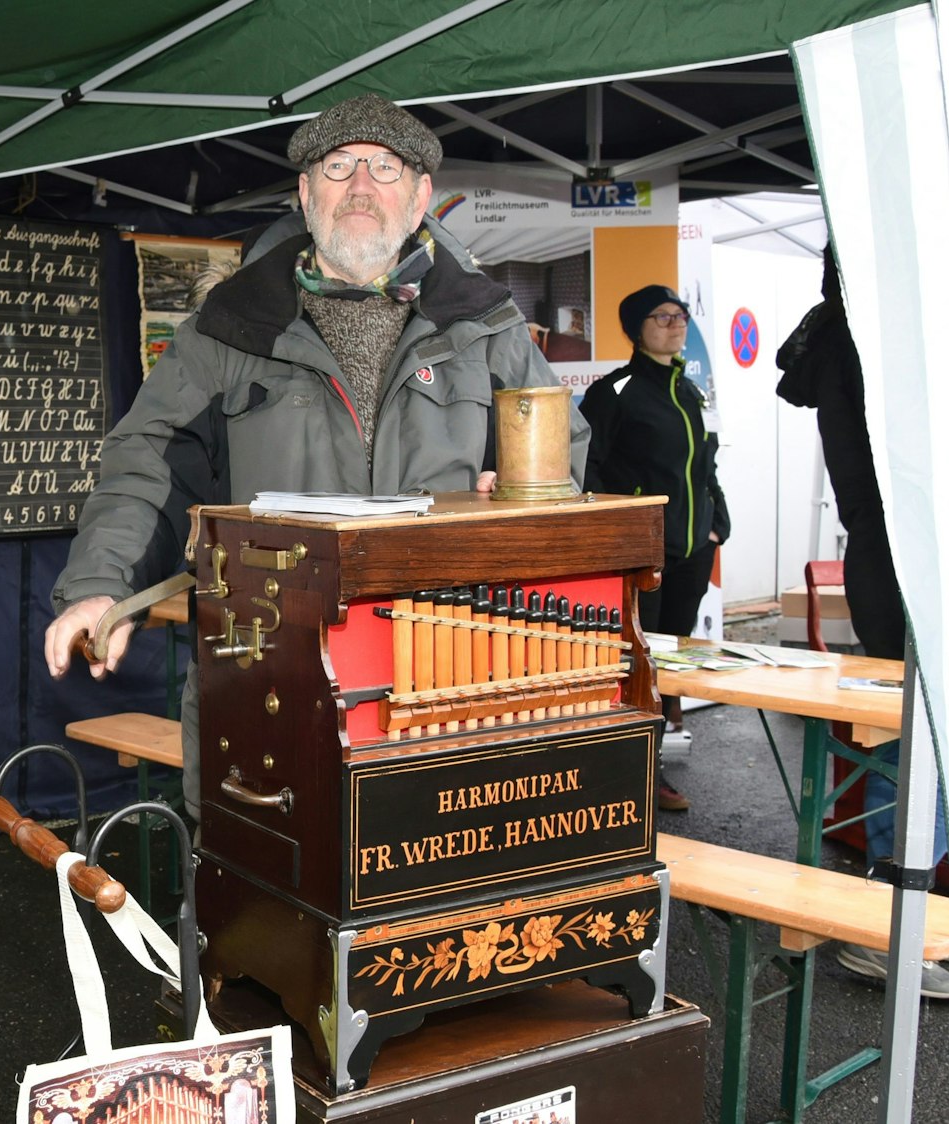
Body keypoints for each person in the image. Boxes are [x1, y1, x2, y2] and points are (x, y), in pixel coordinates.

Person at [43, 94, 588, 819]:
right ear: (304, 195)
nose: (361, 186)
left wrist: (522, 495)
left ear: (421, 195)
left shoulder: (485, 326)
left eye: (385, 168)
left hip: (444, 679)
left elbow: (563, 461)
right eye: (337, 167)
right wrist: (99, 586)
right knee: (257, 898)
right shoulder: (227, 330)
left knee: (432, 887)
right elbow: (145, 464)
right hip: (267, 682)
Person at [577, 284, 728, 813]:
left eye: (680, 314)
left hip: (692, 552)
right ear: (635, 328)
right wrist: (614, 537)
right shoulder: (613, 391)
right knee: (641, 665)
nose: (674, 323)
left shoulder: (689, 391)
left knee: (673, 664)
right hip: (647, 554)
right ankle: (640, 774)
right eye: (661, 317)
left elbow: (704, 466)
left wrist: (718, 522)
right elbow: (589, 468)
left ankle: (656, 763)